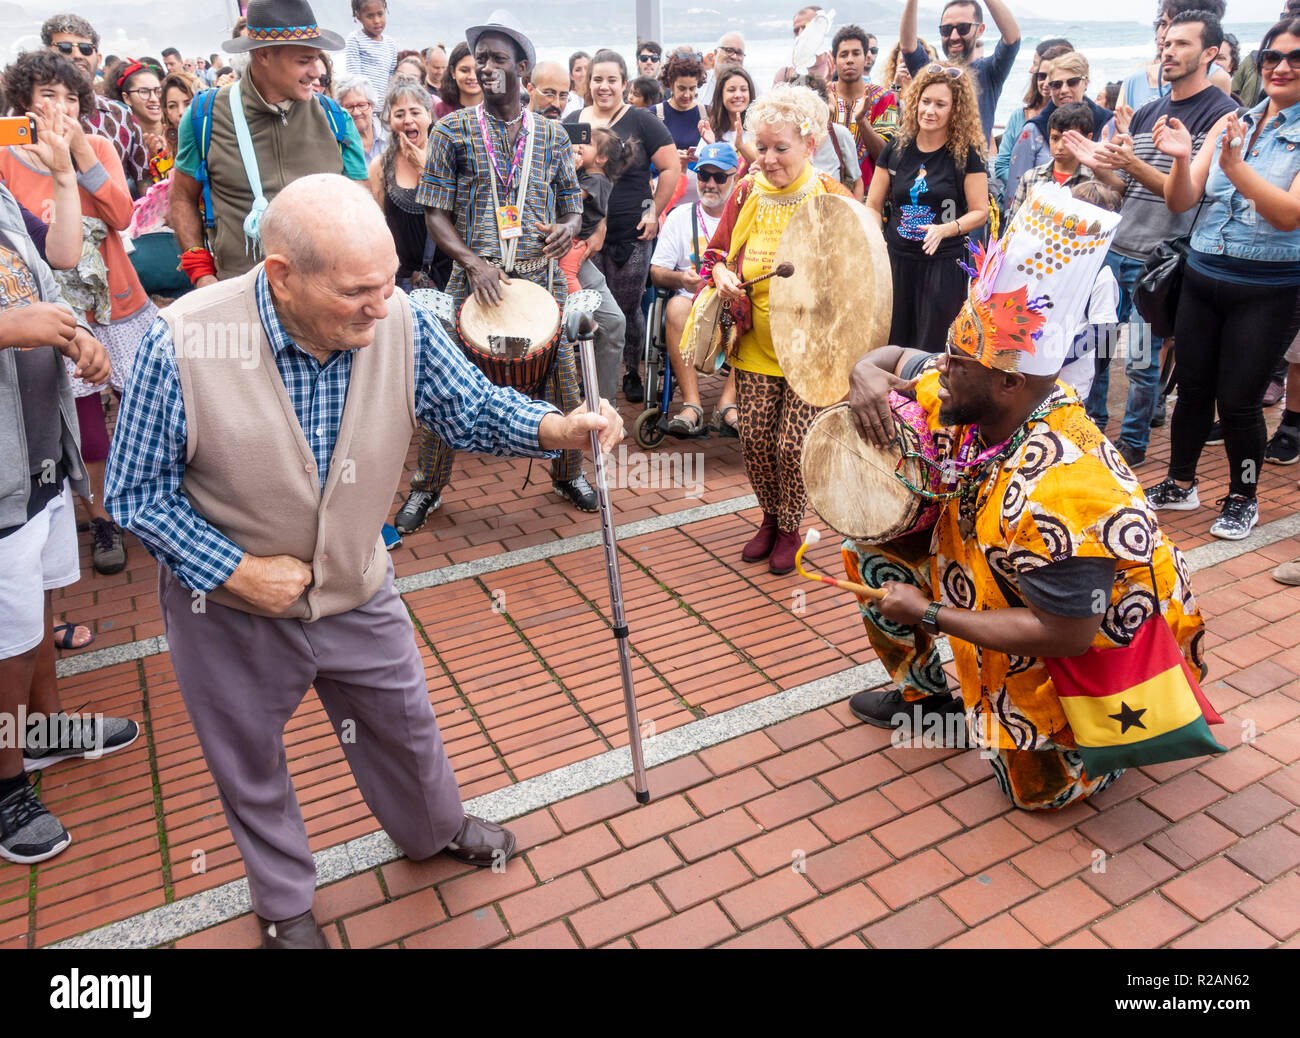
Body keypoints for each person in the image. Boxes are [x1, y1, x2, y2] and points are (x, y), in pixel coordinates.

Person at [105, 173, 622, 946]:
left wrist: (558, 429)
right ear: (280, 277)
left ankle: (432, 828)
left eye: (387, 284)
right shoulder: (182, 340)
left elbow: (468, 406)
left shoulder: (403, 318)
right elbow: (132, 493)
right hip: (230, 608)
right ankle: (283, 903)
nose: (381, 307)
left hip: (356, 581)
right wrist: (234, 571)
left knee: (404, 724)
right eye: (357, 292)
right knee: (248, 758)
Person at [843, 183, 1204, 811]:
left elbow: (1066, 634)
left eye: (956, 361)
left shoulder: (1066, 489)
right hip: (1011, 578)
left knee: (1036, 796)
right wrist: (864, 374)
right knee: (872, 552)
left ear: (1010, 381)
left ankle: (1133, 739)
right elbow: (898, 356)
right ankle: (934, 701)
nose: (939, 367)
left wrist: (928, 614)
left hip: (1091, 648)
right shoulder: (986, 389)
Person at [395, 12, 597, 533]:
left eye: (496, 58)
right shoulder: (452, 129)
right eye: (479, 57)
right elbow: (433, 210)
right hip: (474, 283)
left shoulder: (552, 135)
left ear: (522, 68)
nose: (484, 67)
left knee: (568, 384)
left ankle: (569, 473)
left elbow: (574, 204)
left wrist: (566, 228)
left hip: (541, 281)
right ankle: (427, 488)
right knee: (443, 388)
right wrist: (471, 262)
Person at [0, 172, 133, 864]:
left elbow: (49, 278)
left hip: (40, 460)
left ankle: (46, 731)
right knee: (4, 645)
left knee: (39, 616)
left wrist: (76, 334)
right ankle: (5, 783)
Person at [1, 51, 163, 576]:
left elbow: (121, 214)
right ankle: (103, 518)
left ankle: (166, 499)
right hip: (58, 314)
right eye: (48, 95)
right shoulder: (5, 156)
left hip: (118, 300)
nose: (61, 107)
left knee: (152, 400)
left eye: (71, 97)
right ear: (23, 100)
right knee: (90, 427)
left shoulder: (95, 145)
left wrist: (76, 156)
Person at [1144, 16, 1300, 540]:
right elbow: (1182, 200)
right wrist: (1183, 159)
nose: (1280, 67)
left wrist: (1234, 168)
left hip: (1267, 287)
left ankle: (1242, 496)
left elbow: (1287, 215)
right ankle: (1180, 482)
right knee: (1190, 392)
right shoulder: (1235, 119)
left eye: (1295, 59)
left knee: (1238, 402)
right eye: (1272, 57)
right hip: (1204, 273)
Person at [1067, 11, 1235, 469]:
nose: (1169, 51)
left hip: (1159, 259)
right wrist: (1099, 163)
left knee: (1141, 361)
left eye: (1182, 44)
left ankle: (1134, 443)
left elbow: (1183, 195)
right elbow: (1126, 190)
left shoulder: (1221, 115)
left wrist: (1131, 163)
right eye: (1167, 43)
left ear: (1210, 54)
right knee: (1098, 351)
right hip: (1117, 249)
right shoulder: (1147, 111)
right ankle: (1092, 428)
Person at [697, 85, 854, 574]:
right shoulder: (744, 189)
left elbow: (860, 273)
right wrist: (720, 275)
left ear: (809, 144)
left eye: (780, 148)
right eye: (761, 147)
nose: (767, 158)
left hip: (810, 347)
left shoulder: (830, 194)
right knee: (757, 441)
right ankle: (767, 518)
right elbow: (716, 254)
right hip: (755, 341)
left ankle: (790, 527)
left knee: (793, 445)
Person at [168, 0, 369, 286]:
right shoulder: (204, 115)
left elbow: (362, 207)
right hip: (240, 294)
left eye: (316, 58)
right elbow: (182, 198)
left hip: (324, 294)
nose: (316, 72)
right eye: (303, 60)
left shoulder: (336, 118)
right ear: (263, 55)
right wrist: (200, 273)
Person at [569, 49, 680, 404]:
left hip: (632, 235)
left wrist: (654, 212)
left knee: (628, 307)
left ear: (624, 84)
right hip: (584, 238)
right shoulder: (573, 121)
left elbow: (671, 168)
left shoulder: (642, 121)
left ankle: (632, 370)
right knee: (590, 308)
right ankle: (589, 376)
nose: (604, 86)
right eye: (597, 79)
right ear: (589, 82)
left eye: (611, 80)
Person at [868, 62, 989, 353]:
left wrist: (946, 229)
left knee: (931, 351)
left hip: (943, 266)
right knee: (890, 344)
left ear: (954, 110)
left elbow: (980, 211)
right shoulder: (896, 147)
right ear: (915, 100)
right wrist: (876, 240)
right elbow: (873, 203)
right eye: (925, 101)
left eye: (940, 104)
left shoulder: (965, 154)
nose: (930, 111)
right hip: (896, 262)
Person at [528, 64, 626, 400]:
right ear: (529, 89)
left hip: (571, 249)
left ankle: (603, 409)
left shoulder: (566, 131)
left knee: (613, 323)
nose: (555, 101)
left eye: (562, 94)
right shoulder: (513, 132)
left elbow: (592, 189)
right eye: (548, 92)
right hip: (527, 253)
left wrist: (601, 226)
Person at [651, 140, 740, 438]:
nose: (710, 184)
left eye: (719, 177)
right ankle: (692, 405)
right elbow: (656, 272)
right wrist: (681, 280)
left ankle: (728, 404)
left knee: (756, 314)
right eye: (704, 176)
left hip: (734, 307)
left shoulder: (745, 217)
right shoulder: (680, 216)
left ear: (735, 178)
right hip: (692, 305)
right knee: (676, 305)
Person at [41, 14, 149, 194]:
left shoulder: (121, 115)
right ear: (45, 54)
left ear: (98, 58)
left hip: (116, 218)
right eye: (65, 48)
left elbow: (143, 182)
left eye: (85, 49)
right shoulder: (25, 116)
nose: (76, 55)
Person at [898, 0, 1020, 141]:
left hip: (972, 162)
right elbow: (907, 45)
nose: (954, 36)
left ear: (980, 30)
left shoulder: (990, 72)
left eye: (963, 28)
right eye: (946, 30)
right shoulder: (931, 73)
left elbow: (1012, 39)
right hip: (930, 162)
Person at [367, 79, 447, 291]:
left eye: (415, 112)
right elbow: (378, 226)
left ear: (429, 115)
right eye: (399, 114)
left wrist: (424, 169)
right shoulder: (381, 166)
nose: (408, 121)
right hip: (400, 279)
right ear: (390, 121)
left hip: (446, 275)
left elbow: (456, 215)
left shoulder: (448, 159)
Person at [1005, 51, 1113, 207]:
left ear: (1086, 82)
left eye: (1072, 82)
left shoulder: (1108, 124)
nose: (1063, 90)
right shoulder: (1033, 130)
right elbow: (1016, 190)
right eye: (1056, 84)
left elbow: (1118, 186)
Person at [993, 38, 1071, 201]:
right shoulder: (1020, 116)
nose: (1046, 82)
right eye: (1041, 75)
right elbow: (1002, 164)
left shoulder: (1077, 120)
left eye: (1052, 76)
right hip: (1024, 202)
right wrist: (1026, 187)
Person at [1119, 0, 1232, 112]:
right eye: (1163, 24)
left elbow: (1215, 124)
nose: (1165, 34)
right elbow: (1118, 127)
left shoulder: (1216, 78)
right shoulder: (1135, 79)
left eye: (1177, 26)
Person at [827, 24, 899, 191]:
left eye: (856, 53)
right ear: (834, 59)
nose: (850, 59)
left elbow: (887, 155)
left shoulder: (884, 98)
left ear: (866, 57)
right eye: (843, 54)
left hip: (871, 199)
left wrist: (861, 121)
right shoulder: (822, 95)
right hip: (827, 197)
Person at [1006, 102, 1096, 220]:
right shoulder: (1031, 177)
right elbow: (1013, 222)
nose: (1059, 146)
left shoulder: (1092, 181)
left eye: (1068, 140)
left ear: (1087, 138)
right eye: (1055, 138)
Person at [654, 51, 709, 208]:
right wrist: (669, 159)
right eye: (682, 88)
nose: (687, 95)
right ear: (670, 83)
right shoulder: (654, 114)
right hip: (665, 201)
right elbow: (641, 162)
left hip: (698, 201)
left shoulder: (707, 113)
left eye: (692, 89)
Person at [797, 74, 865, 200]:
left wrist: (855, 216)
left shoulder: (839, 134)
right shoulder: (791, 138)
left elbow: (858, 184)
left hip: (834, 214)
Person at [105, 59, 168, 179]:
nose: (154, 98)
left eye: (157, 91)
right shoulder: (123, 143)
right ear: (126, 98)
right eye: (144, 92)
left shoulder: (178, 131)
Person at [699, 64, 757, 170]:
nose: (738, 95)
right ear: (721, 95)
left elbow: (765, 166)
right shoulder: (711, 130)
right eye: (731, 90)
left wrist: (741, 146)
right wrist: (712, 145)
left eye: (743, 90)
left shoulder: (760, 130)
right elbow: (705, 173)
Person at [344, 0, 398, 107]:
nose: (377, 20)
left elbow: (392, 77)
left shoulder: (390, 44)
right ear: (358, 16)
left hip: (385, 110)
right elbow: (354, 78)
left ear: (385, 11)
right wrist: (364, 105)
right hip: (364, 107)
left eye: (380, 14)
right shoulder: (355, 39)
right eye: (370, 16)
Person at [774, 6, 833, 84]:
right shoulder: (784, 74)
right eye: (796, 30)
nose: (800, 33)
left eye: (806, 27)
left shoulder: (837, 67)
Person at [337, 75, 386, 162]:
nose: (356, 112)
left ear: (372, 106)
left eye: (361, 105)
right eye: (349, 107)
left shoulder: (389, 136)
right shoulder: (338, 143)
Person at [433, 41, 482, 119]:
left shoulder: (499, 110)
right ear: (453, 71)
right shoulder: (440, 110)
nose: (472, 76)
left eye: (477, 70)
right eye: (464, 70)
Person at [698, 32, 746, 106]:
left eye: (739, 53)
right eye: (729, 50)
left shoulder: (749, 87)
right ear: (715, 53)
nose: (734, 57)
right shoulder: (700, 82)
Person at [563, 50, 591, 119]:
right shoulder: (568, 101)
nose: (583, 74)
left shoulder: (599, 97)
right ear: (571, 75)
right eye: (578, 70)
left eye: (587, 68)